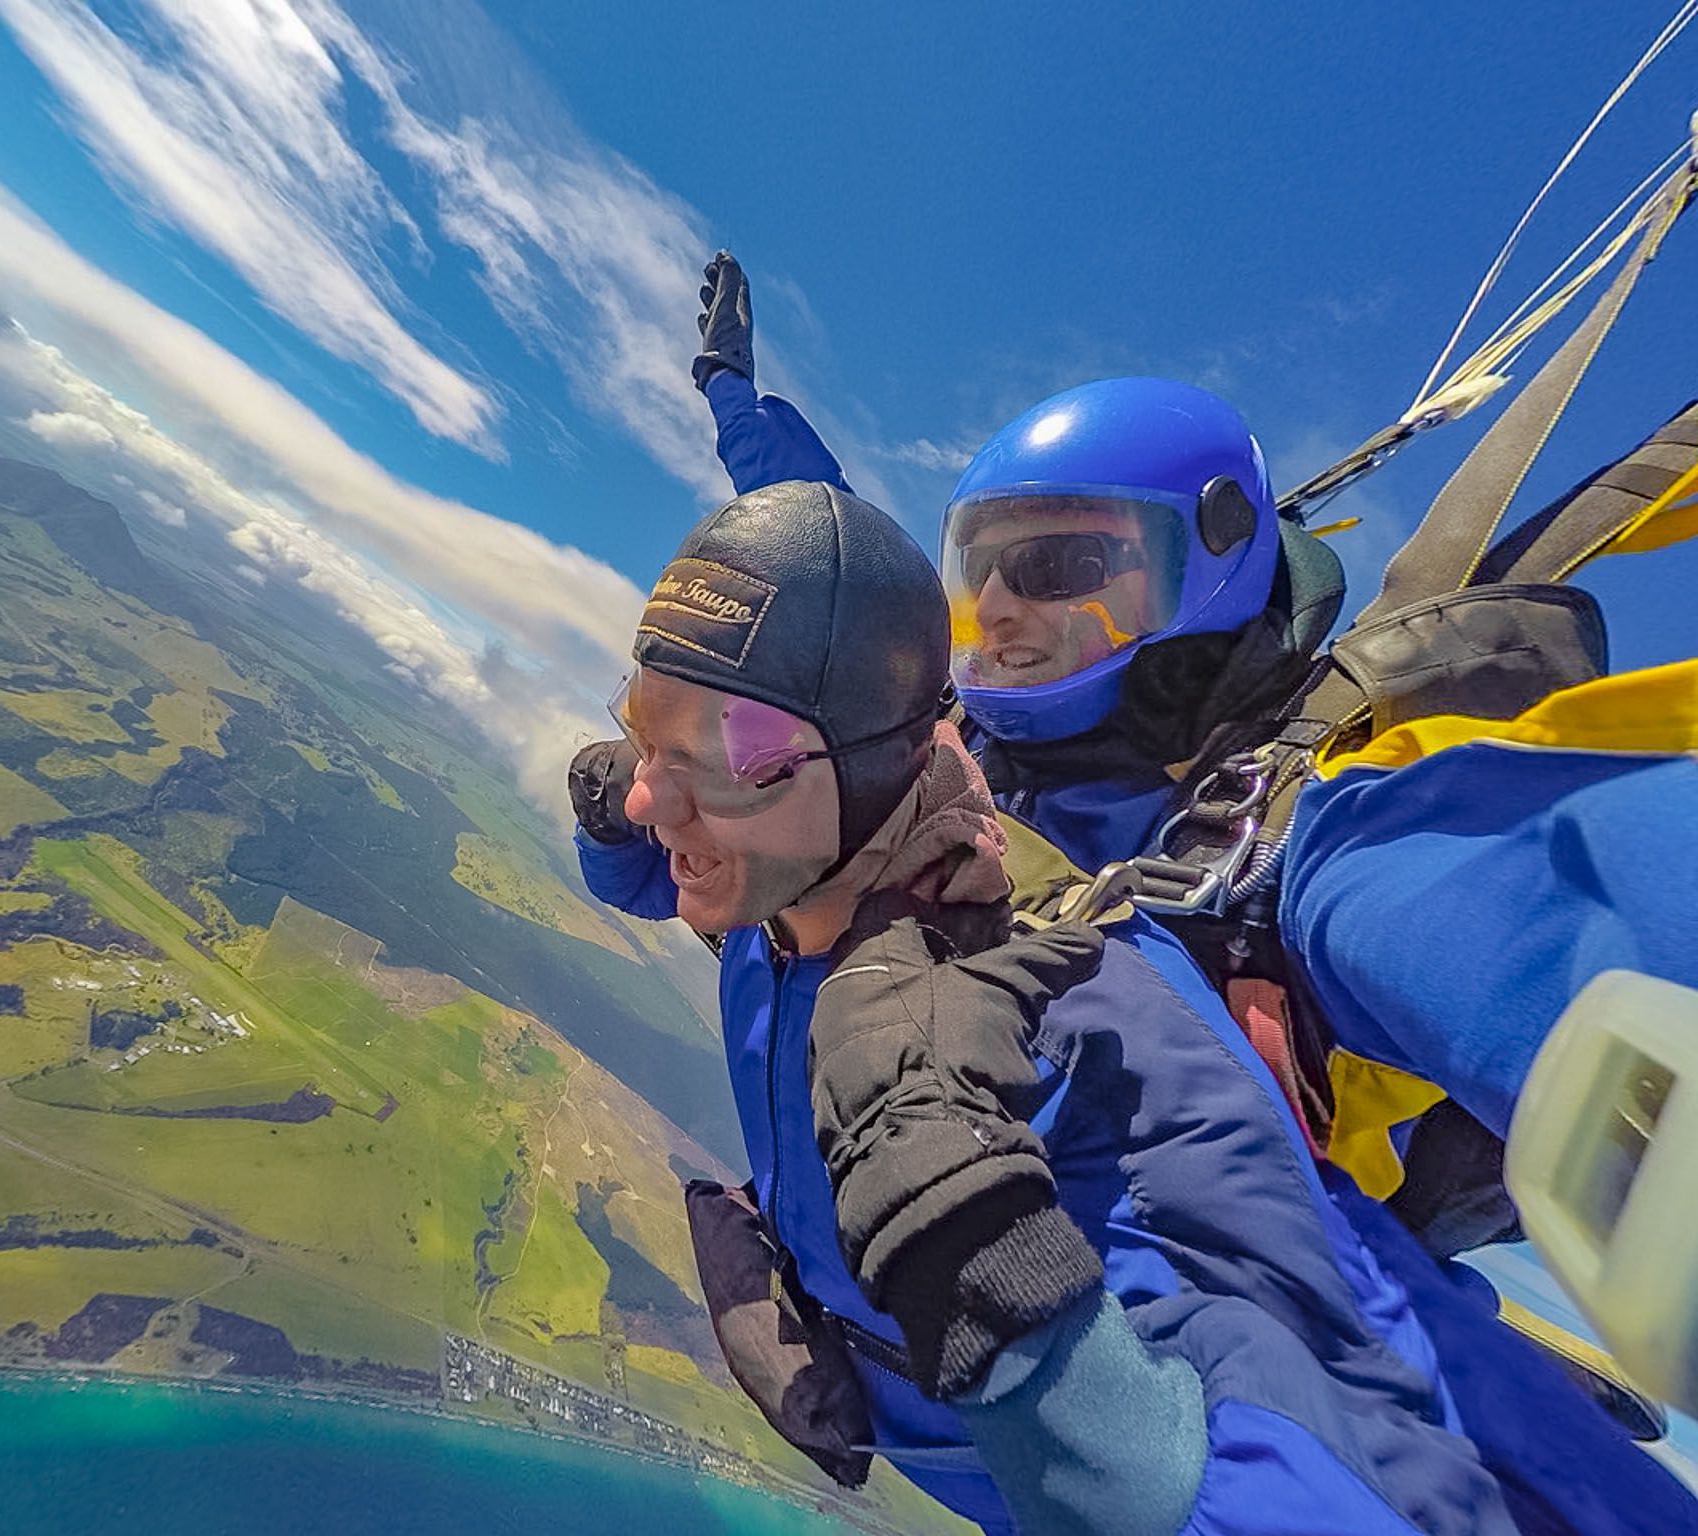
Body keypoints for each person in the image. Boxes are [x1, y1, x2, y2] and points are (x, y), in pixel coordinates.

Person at [592, 476, 1553, 1535]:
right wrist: (627, 811)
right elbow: (659, 871)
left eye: (728, 753)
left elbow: (1343, 1468)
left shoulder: (1078, 1022)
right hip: (912, 1428)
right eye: (643, 733)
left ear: (873, 765)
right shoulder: (769, 877)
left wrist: (967, 1243)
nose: (649, 800)